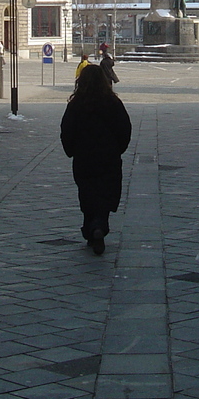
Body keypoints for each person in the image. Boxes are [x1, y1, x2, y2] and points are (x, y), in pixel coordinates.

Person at [60, 64, 132, 256]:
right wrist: (118, 149)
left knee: (87, 192)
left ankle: (91, 229)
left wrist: (72, 150)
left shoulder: (76, 105)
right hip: (108, 157)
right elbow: (125, 128)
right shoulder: (113, 103)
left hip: (84, 158)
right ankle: (100, 224)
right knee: (105, 193)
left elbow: (67, 130)